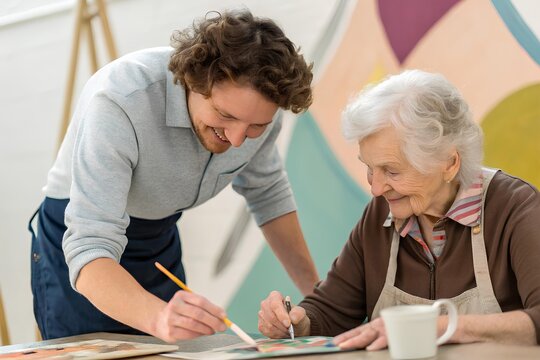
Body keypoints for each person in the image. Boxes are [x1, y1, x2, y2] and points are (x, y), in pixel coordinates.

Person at [29, 8, 319, 341]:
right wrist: (158, 319)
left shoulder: (261, 113)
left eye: (256, 126)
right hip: (80, 236)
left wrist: (320, 300)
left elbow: (268, 194)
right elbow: (89, 244)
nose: (238, 139)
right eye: (224, 115)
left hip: (156, 235)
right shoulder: (120, 99)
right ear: (194, 81)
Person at [257, 69, 540, 348]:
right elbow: (331, 312)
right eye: (370, 168)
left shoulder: (515, 209)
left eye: (392, 171)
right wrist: (294, 322)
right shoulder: (380, 215)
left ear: (450, 163)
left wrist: (439, 327)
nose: (376, 189)